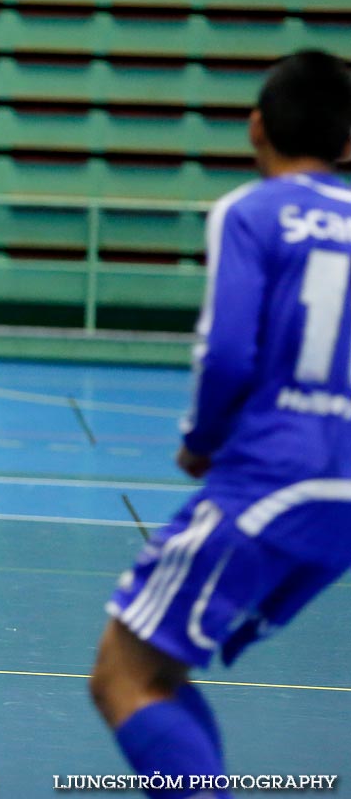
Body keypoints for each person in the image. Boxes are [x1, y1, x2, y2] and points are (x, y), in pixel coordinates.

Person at [89, 50, 351, 797]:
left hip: (272, 477)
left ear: (256, 127)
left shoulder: (251, 210)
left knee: (123, 675)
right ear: (348, 144)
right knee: (162, 669)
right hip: (342, 499)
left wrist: (202, 444)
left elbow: (230, 352)